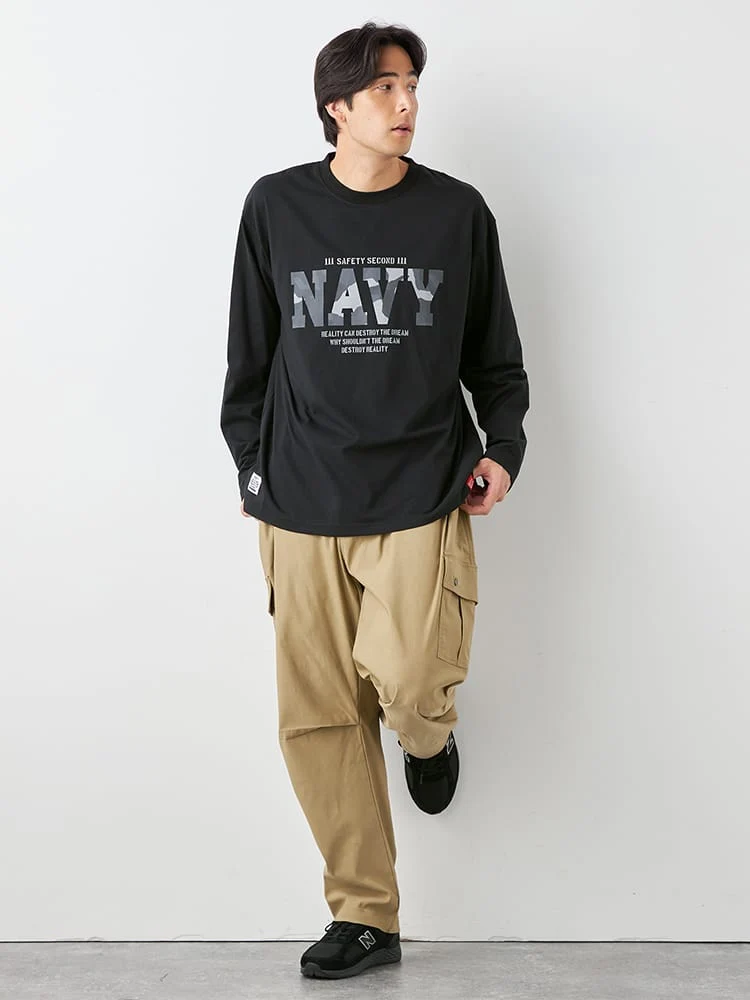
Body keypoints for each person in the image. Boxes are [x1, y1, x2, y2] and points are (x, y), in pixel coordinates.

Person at [219, 20, 529, 981]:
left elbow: (496, 357)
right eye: (386, 88)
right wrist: (252, 468)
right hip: (300, 499)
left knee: (411, 675)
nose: (407, 104)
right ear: (337, 107)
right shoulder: (277, 207)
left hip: (421, 491)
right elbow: (249, 357)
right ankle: (366, 916)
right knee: (319, 719)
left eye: (412, 86)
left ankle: (428, 735)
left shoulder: (455, 212)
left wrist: (503, 450)